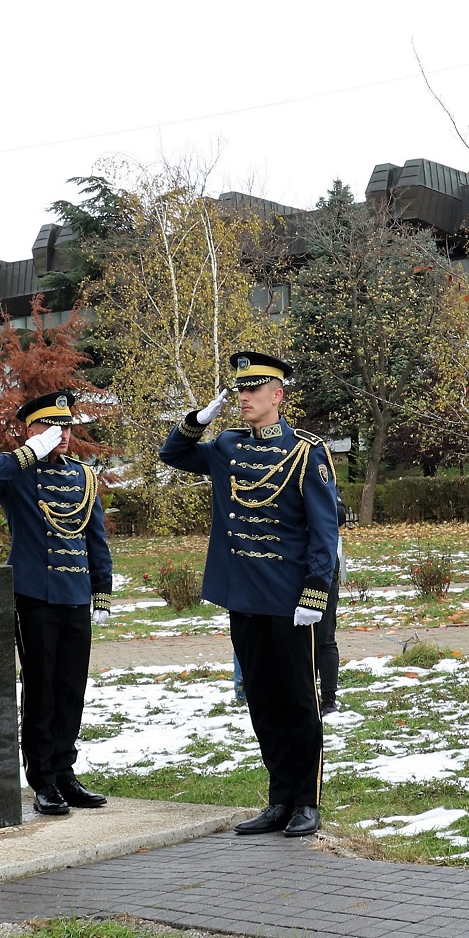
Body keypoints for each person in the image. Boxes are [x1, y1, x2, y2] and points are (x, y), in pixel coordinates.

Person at [160, 351, 339, 838]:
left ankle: (307, 800)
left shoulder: (306, 451)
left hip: (290, 599)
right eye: (239, 390)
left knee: (299, 702)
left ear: (277, 395)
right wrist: (196, 421)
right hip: (244, 596)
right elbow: (171, 455)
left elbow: (324, 532)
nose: (243, 398)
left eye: (253, 390)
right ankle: (279, 798)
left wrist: (315, 594)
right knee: (262, 702)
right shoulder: (225, 447)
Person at [0, 390, 113, 817]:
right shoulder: (16, 473)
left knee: (71, 688)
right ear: (30, 431)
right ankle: (43, 779)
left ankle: (65, 772)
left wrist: (101, 590)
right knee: (41, 689)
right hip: (35, 596)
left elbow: (94, 538)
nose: (61, 434)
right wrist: (27, 453)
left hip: (75, 595)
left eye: (65, 426)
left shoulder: (84, 476)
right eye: (50, 427)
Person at [317, 496, 348, 715]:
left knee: (325, 636)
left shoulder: (321, 470)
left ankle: (328, 700)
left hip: (323, 565)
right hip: (290, 566)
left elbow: (340, 515)